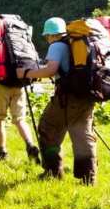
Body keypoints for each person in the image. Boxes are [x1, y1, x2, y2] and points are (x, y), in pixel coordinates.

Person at [17, 17, 99, 185]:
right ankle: (88, 178)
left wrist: (25, 73)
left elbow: (50, 70)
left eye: (47, 36)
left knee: (48, 127)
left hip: (68, 97)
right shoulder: (77, 42)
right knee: (83, 134)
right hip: (87, 93)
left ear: (50, 35)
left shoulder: (57, 45)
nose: (47, 39)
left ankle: (53, 172)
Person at [0, 43, 40, 163]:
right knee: (20, 119)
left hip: (2, 85)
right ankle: (30, 145)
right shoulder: (20, 39)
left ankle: (2, 152)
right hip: (20, 84)